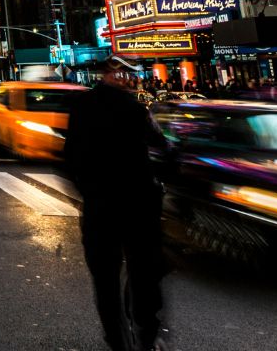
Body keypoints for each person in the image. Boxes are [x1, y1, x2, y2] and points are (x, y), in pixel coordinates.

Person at [65, 58, 172, 351]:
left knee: (105, 281)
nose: (130, 80)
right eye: (126, 75)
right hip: (137, 205)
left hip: (100, 206)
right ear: (115, 75)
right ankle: (146, 337)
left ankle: (118, 341)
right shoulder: (135, 110)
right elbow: (164, 148)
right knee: (143, 275)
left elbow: (69, 157)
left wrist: (88, 190)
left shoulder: (81, 107)